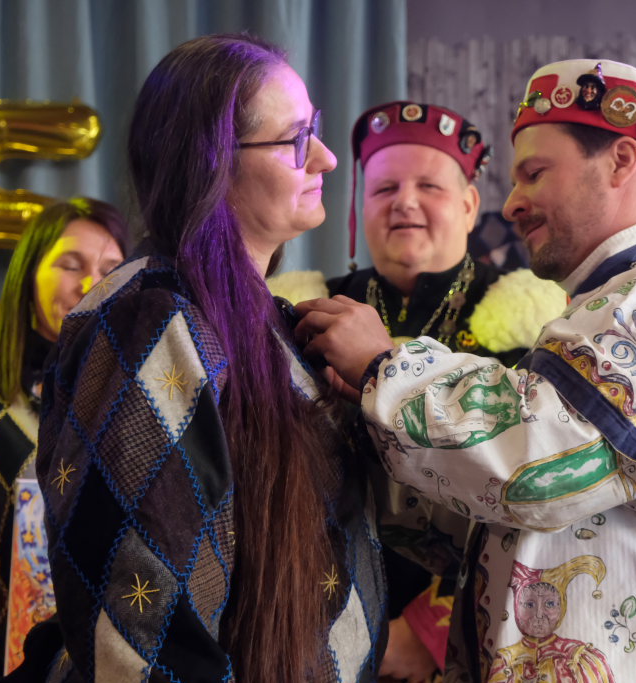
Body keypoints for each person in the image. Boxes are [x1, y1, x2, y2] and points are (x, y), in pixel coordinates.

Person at [297, 59, 636, 682]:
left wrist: (384, 367)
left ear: (622, 161)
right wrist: (363, 415)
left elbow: (541, 467)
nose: (513, 203)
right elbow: (487, 519)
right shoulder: (599, 308)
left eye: (534, 173)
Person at [35, 35, 385, 682]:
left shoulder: (269, 322)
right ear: (212, 163)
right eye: (296, 139)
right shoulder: (150, 319)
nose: (328, 157)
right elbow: (142, 626)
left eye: (316, 130)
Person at [269, 100, 566, 681]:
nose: (404, 202)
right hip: (315, 623)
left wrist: (430, 630)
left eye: (428, 186)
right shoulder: (305, 313)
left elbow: (543, 500)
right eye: (384, 189)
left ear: (469, 205)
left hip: (473, 632)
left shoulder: (534, 326)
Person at [0, 197, 127, 680]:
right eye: (70, 265)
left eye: (111, 270)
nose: (90, 285)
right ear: (27, 278)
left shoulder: (138, 419)